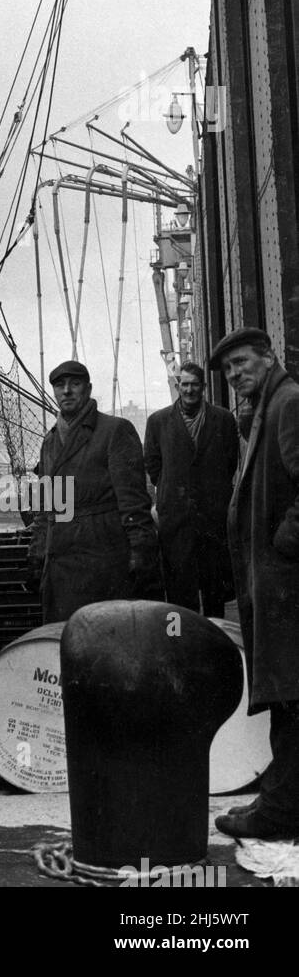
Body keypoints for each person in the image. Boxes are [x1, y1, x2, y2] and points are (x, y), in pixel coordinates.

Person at [209, 328, 299, 841]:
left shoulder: (287, 404)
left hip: (289, 586)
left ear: (269, 359)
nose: (235, 374)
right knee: (289, 699)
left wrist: (281, 550)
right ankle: (281, 801)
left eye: (242, 363)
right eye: (228, 370)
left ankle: (281, 812)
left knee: (292, 698)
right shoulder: (267, 408)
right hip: (280, 587)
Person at [27, 359, 162, 621]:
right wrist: (36, 554)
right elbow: (46, 508)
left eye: (74, 384)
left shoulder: (114, 431)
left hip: (103, 558)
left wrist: (141, 552)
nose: (66, 391)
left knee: (103, 636)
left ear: (87, 389)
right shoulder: (50, 441)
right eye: (59, 385)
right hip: (61, 561)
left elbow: (133, 501)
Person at [143, 361, 239, 616]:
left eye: (194, 385)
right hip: (176, 519)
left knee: (214, 590)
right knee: (178, 591)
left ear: (203, 387)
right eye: (184, 384)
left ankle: (212, 640)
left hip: (212, 519)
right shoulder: (158, 422)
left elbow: (230, 461)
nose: (189, 390)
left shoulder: (224, 419)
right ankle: (177, 639)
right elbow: (152, 464)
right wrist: (170, 489)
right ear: (178, 386)